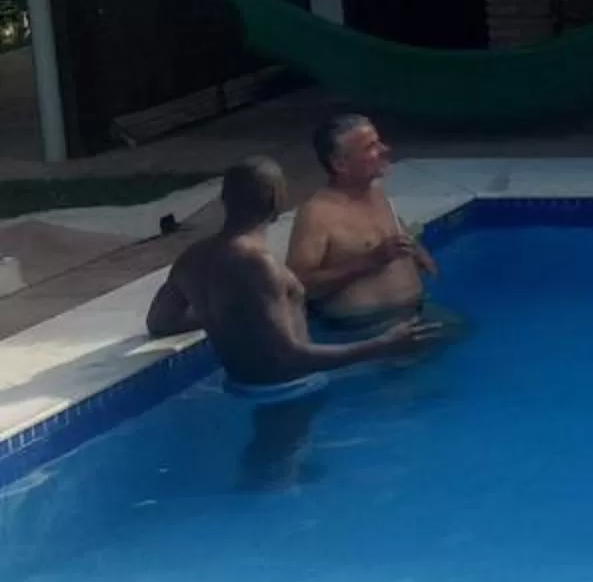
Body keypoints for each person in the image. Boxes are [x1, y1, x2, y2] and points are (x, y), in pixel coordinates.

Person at [144, 159, 444, 394]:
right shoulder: (260, 265)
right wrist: (381, 345)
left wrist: (226, 314)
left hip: (239, 386)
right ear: (278, 200)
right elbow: (289, 356)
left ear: (224, 198)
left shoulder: (192, 257)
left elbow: (159, 322)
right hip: (289, 389)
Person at [287, 113, 440, 341]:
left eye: (379, 142)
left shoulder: (376, 192)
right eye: (371, 147)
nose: (385, 149)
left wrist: (417, 250)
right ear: (340, 164)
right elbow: (297, 287)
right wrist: (370, 261)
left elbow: (395, 232)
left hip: (414, 314)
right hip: (365, 331)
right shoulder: (317, 214)